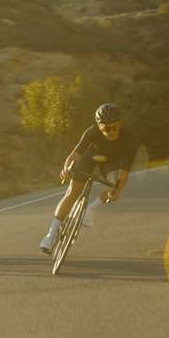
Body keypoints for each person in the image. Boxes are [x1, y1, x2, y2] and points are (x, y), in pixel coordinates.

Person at [39, 103, 137, 254]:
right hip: (90, 158)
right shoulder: (91, 132)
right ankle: (50, 235)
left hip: (111, 163)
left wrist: (117, 190)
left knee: (115, 185)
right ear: (99, 126)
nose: (111, 132)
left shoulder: (128, 140)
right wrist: (66, 169)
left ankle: (91, 209)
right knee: (72, 192)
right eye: (106, 128)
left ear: (121, 124)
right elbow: (74, 155)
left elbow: (124, 174)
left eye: (115, 127)